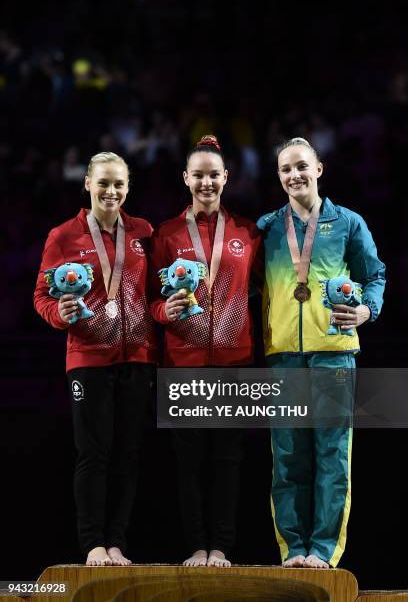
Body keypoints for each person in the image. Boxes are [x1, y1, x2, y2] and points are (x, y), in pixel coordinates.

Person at [257, 137, 385, 568]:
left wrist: (367, 310)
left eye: (301, 166)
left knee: (333, 455)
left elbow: (376, 275)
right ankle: (293, 550)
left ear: (319, 169)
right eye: (285, 169)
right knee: (288, 458)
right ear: (278, 176)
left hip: (334, 352)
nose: (293, 175)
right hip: (283, 357)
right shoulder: (267, 228)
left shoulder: (348, 223)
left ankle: (325, 552)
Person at [34, 152, 157, 566]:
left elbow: (154, 292)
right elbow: (41, 296)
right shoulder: (63, 236)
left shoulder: (143, 232)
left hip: (138, 357)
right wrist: (57, 313)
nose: (111, 191)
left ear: (128, 186)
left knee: (128, 453)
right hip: (88, 358)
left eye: (119, 184)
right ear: (87, 183)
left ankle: (117, 543)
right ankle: (92, 545)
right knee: (94, 453)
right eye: (103, 183)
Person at [150, 135, 262, 567]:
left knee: (229, 461)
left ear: (226, 178)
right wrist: (165, 310)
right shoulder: (166, 234)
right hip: (182, 364)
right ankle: (197, 546)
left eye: (213, 175)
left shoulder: (247, 233)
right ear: (185, 178)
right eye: (198, 175)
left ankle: (222, 547)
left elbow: (263, 291)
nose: (206, 182)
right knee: (189, 463)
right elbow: (148, 303)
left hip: (234, 365)